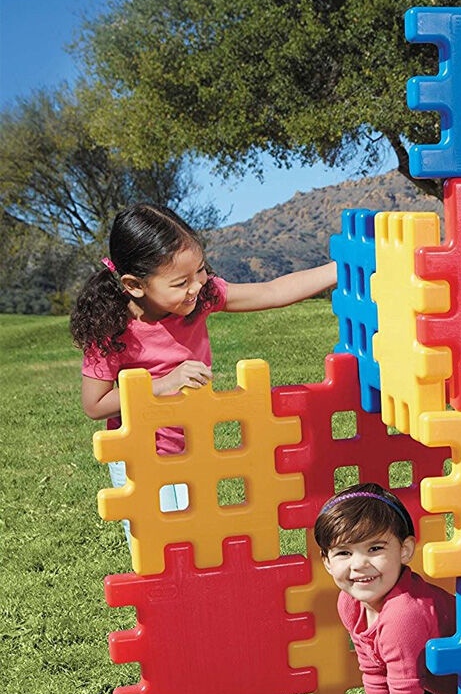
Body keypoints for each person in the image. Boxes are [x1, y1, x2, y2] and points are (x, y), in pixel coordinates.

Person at [69, 203, 337, 532]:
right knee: (165, 548)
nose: (196, 285)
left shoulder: (203, 297)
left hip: (196, 448)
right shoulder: (110, 327)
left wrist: (340, 269)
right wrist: (161, 384)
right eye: (181, 282)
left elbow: (272, 290)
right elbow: (94, 404)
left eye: (199, 270)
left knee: (199, 540)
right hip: (142, 457)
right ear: (135, 285)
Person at [314, 482, 461, 694]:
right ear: (327, 561)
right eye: (343, 552)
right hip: (459, 686)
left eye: (375, 548)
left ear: (405, 550)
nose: (359, 564)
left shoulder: (402, 615)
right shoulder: (351, 603)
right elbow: (373, 669)